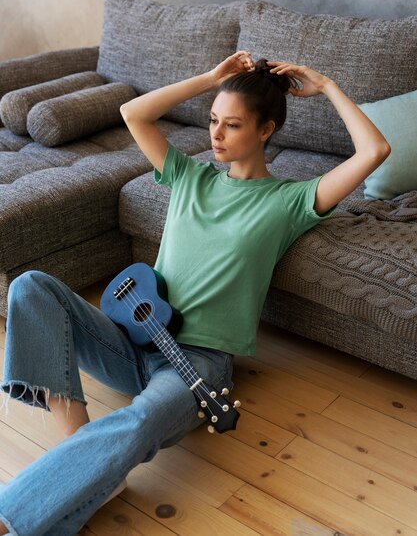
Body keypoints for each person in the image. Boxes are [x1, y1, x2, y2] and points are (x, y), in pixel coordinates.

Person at [0, 50, 390, 536]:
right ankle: (81, 456)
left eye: (232, 125)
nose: (216, 135)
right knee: (30, 286)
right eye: (212, 121)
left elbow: (374, 152)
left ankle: (14, 516)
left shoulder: (289, 201)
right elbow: (132, 113)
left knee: (139, 421)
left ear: (265, 130)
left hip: (199, 365)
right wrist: (210, 78)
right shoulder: (189, 175)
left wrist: (328, 85)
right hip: (130, 342)